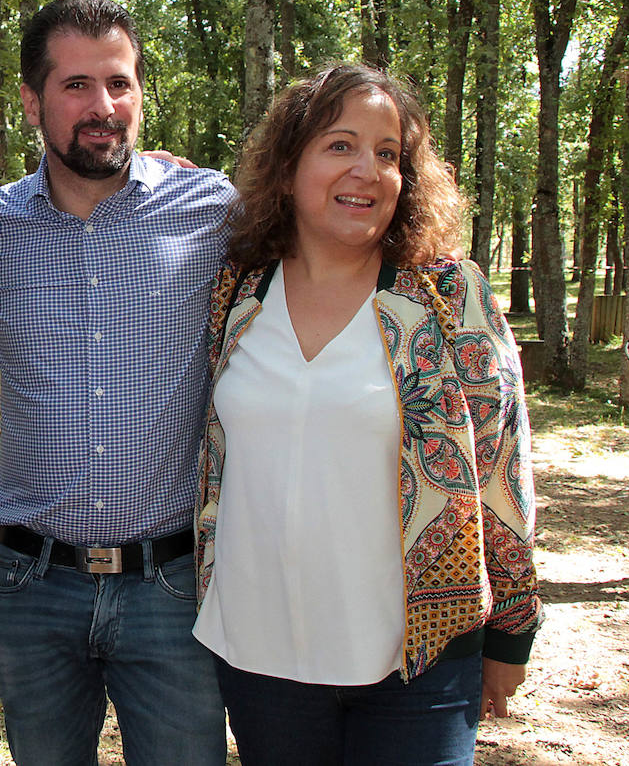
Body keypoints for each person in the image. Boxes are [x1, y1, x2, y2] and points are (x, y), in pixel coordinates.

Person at [193, 63, 541, 764]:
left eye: (388, 154)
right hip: (261, 656)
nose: (368, 170)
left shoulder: (447, 297)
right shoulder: (235, 292)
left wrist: (512, 630)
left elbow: (504, 464)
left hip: (419, 659)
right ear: (288, 170)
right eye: (341, 145)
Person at [0, 0, 233, 765]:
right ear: (33, 101)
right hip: (33, 584)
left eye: (120, 83)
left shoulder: (213, 212)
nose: (103, 107)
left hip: (174, 585)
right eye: (76, 86)